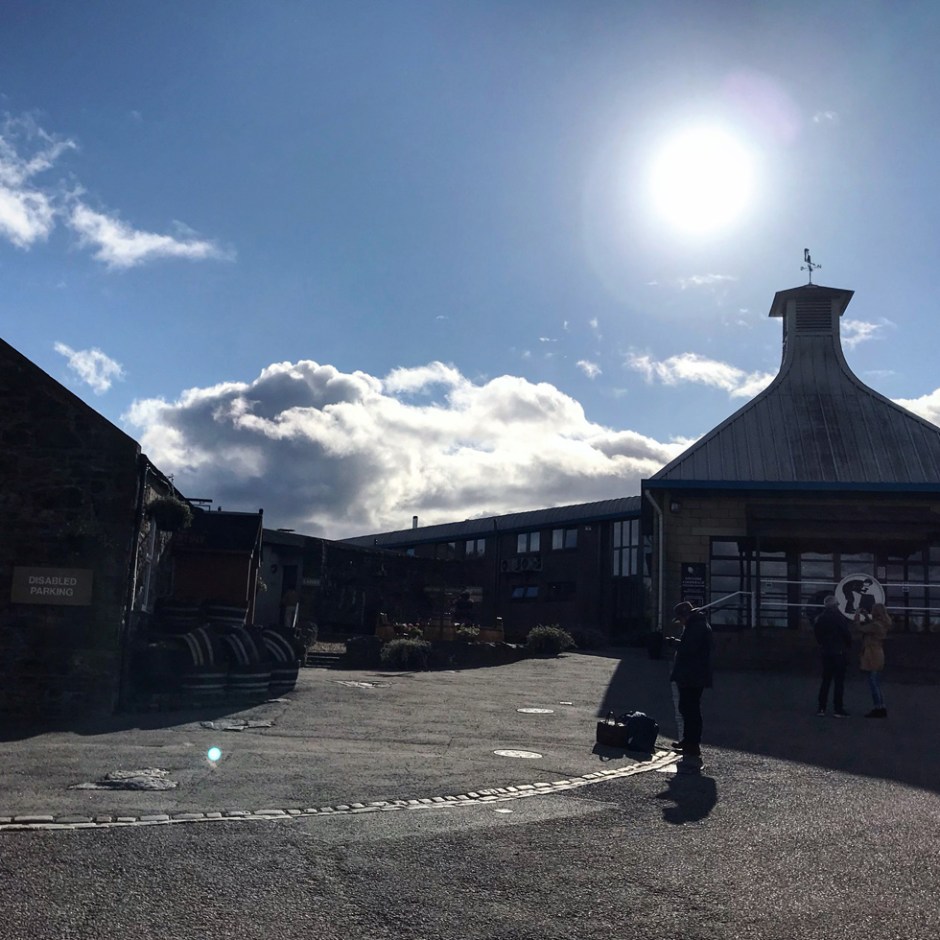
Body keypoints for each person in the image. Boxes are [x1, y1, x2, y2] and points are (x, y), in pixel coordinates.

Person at [670, 600, 713, 759]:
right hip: (693, 674)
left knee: (691, 709)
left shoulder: (697, 627)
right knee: (687, 708)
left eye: (680, 619)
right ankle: (688, 741)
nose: (680, 622)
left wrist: (676, 644)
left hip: (693, 675)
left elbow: (690, 649)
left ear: (686, 616)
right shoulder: (697, 625)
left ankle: (692, 744)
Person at [814, 595, 852, 717]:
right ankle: (838, 709)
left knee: (826, 680)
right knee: (839, 682)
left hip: (826, 652)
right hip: (839, 653)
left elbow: (818, 635)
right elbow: (847, 634)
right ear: (835, 605)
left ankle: (821, 708)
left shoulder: (820, 618)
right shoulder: (839, 618)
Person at [855, 602, 891, 718]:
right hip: (878, 652)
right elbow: (872, 626)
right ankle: (881, 706)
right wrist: (866, 616)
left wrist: (857, 615)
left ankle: (877, 707)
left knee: (873, 682)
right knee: (876, 682)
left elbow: (860, 628)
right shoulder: (883, 623)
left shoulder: (876, 625)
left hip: (872, 653)